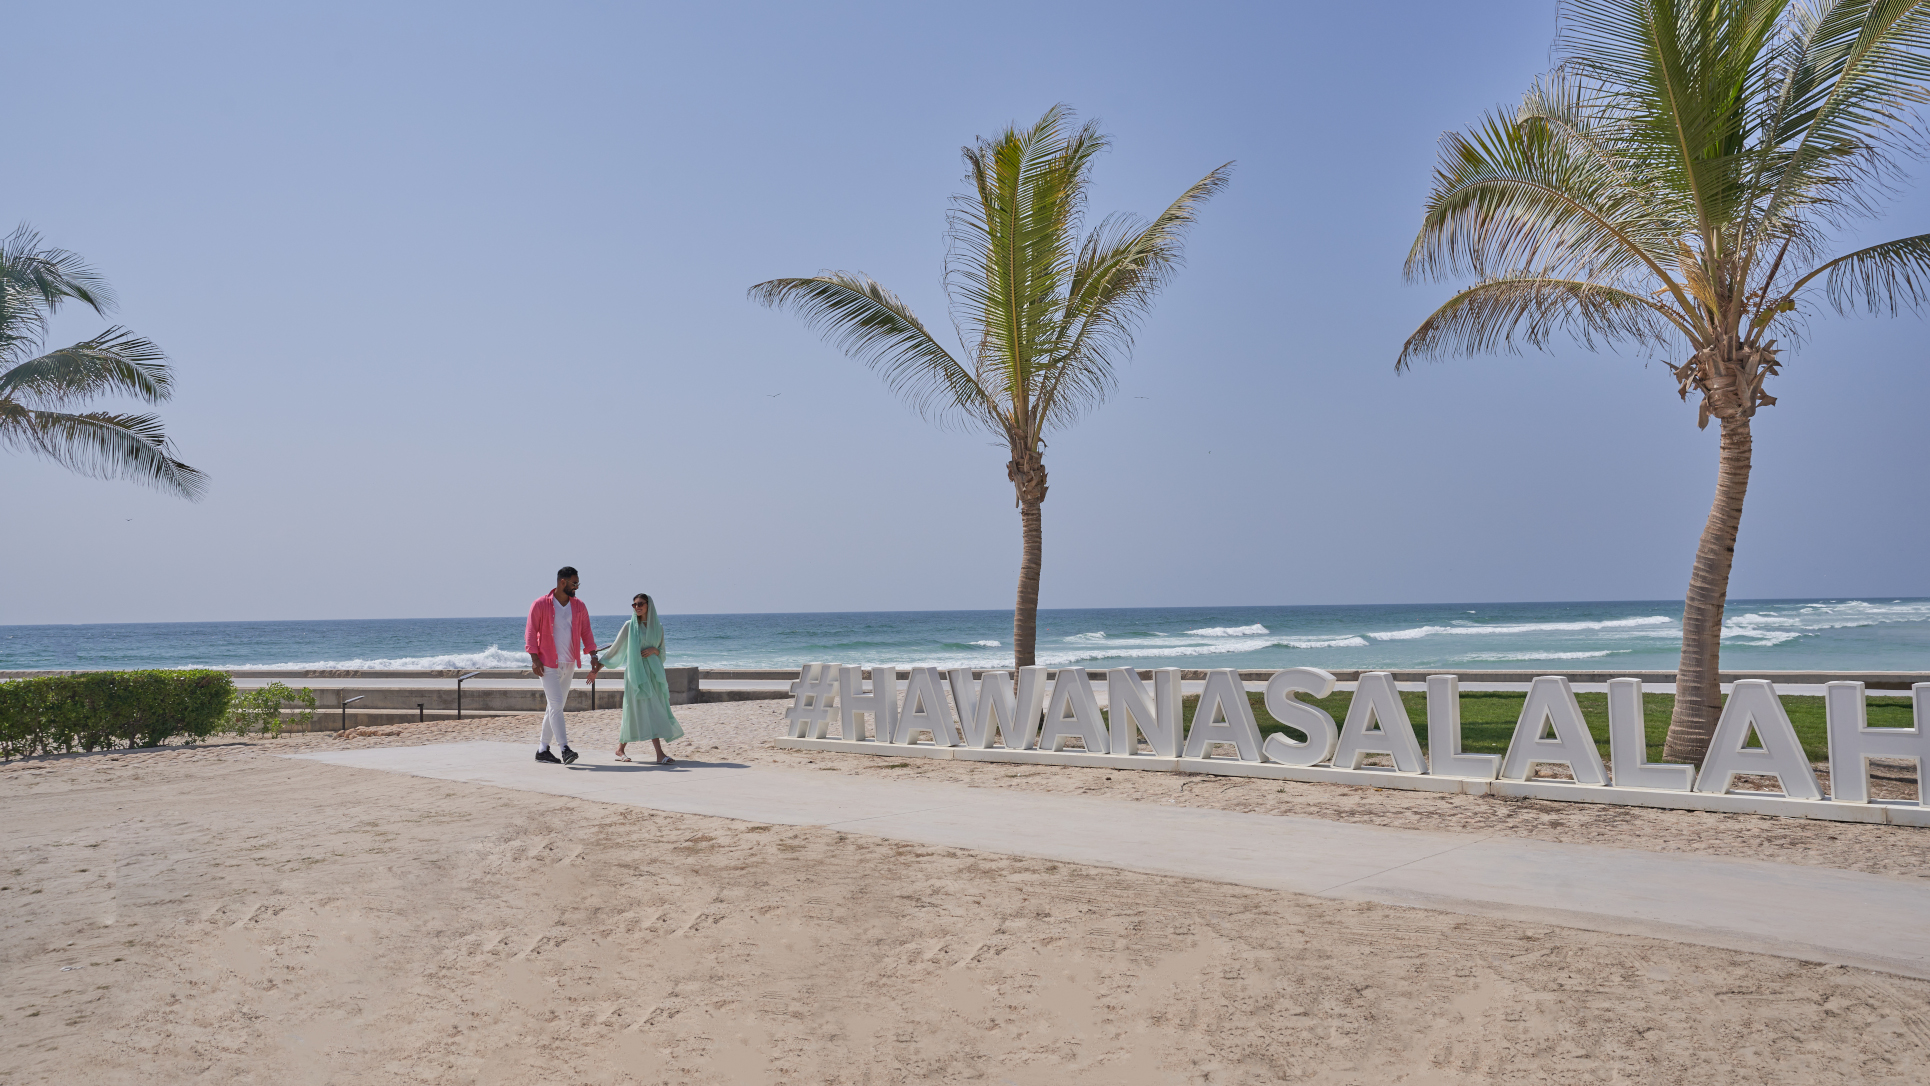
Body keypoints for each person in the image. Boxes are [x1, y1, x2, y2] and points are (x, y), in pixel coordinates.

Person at [590, 592, 684, 764]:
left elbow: (662, 654)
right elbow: (616, 649)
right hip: (636, 674)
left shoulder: (658, 627)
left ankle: (620, 749)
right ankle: (659, 754)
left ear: (649, 605)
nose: (637, 607)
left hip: (654, 674)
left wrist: (654, 651)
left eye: (640, 603)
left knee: (645, 711)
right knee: (642, 710)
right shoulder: (629, 626)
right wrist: (597, 669)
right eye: (634, 604)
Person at [525, 566, 596, 765]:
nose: (577, 588)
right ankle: (565, 748)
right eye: (574, 583)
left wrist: (593, 655)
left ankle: (542, 750)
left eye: (578, 584)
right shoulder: (540, 604)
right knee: (556, 705)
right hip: (547, 664)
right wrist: (534, 659)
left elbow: (586, 632)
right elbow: (530, 633)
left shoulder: (579, 606)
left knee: (554, 707)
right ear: (562, 582)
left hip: (569, 663)